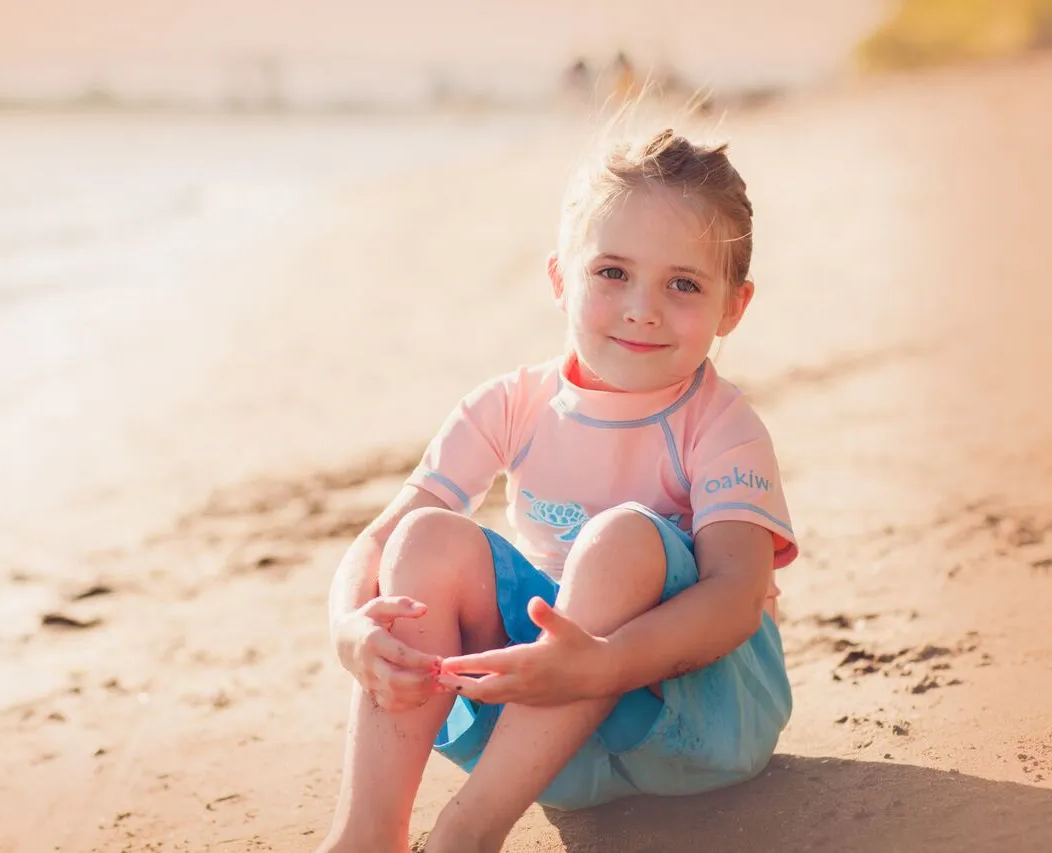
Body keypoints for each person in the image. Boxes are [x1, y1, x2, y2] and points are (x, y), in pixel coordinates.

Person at [318, 126, 797, 853]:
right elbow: (383, 535)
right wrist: (349, 625)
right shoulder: (511, 404)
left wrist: (602, 662)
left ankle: (466, 833)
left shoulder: (721, 423)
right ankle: (366, 834)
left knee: (622, 538)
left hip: (697, 722)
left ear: (733, 306)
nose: (642, 307)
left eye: (684, 284)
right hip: (546, 738)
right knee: (425, 539)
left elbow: (735, 595)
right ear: (559, 279)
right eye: (612, 272)